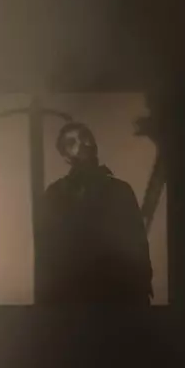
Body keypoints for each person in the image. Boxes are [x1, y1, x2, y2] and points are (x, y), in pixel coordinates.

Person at [35, 122, 153, 306]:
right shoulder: (55, 193)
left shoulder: (121, 190)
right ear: (65, 156)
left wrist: (143, 284)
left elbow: (137, 241)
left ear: (94, 143)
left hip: (119, 293)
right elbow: (47, 248)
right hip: (72, 296)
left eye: (84, 137)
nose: (81, 144)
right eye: (71, 143)